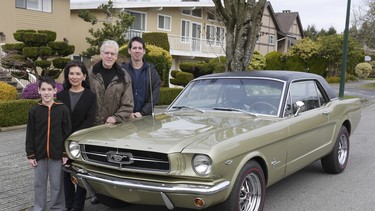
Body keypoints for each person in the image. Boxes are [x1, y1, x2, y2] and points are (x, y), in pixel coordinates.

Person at [89, 40, 134, 205]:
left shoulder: (124, 76)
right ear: (101, 54)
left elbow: (128, 104)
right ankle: (96, 193)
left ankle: (113, 196)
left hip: (114, 129)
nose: (109, 56)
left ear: (116, 56)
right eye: (106, 53)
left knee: (110, 164)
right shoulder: (90, 73)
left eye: (112, 54)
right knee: (93, 163)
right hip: (92, 127)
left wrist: (115, 117)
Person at [25, 76, 72, 211]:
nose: (46, 92)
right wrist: (31, 155)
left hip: (57, 154)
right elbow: (30, 134)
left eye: (49, 89)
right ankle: (39, 208)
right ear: (39, 91)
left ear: (55, 91)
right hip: (39, 154)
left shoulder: (62, 109)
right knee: (39, 184)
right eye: (43, 89)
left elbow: (67, 132)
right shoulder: (34, 110)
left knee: (57, 183)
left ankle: (57, 207)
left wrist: (64, 152)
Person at [57, 60, 96, 211]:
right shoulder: (60, 95)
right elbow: (57, 119)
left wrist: (74, 136)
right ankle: (68, 204)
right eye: (71, 73)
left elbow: (90, 119)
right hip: (62, 140)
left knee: (80, 173)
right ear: (67, 76)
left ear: (84, 76)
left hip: (81, 140)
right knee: (66, 173)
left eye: (78, 73)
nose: (74, 76)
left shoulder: (90, 96)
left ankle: (78, 205)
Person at [122, 36, 161, 118]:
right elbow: (118, 94)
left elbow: (155, 96)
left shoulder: (151, 71)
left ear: (144, 51)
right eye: (134, 48)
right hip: (126, 118)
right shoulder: (122, 70)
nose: (137, 51)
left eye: (140, 48)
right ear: (129, 51)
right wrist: (127, 112)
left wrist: (142, 113)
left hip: (146, 118)